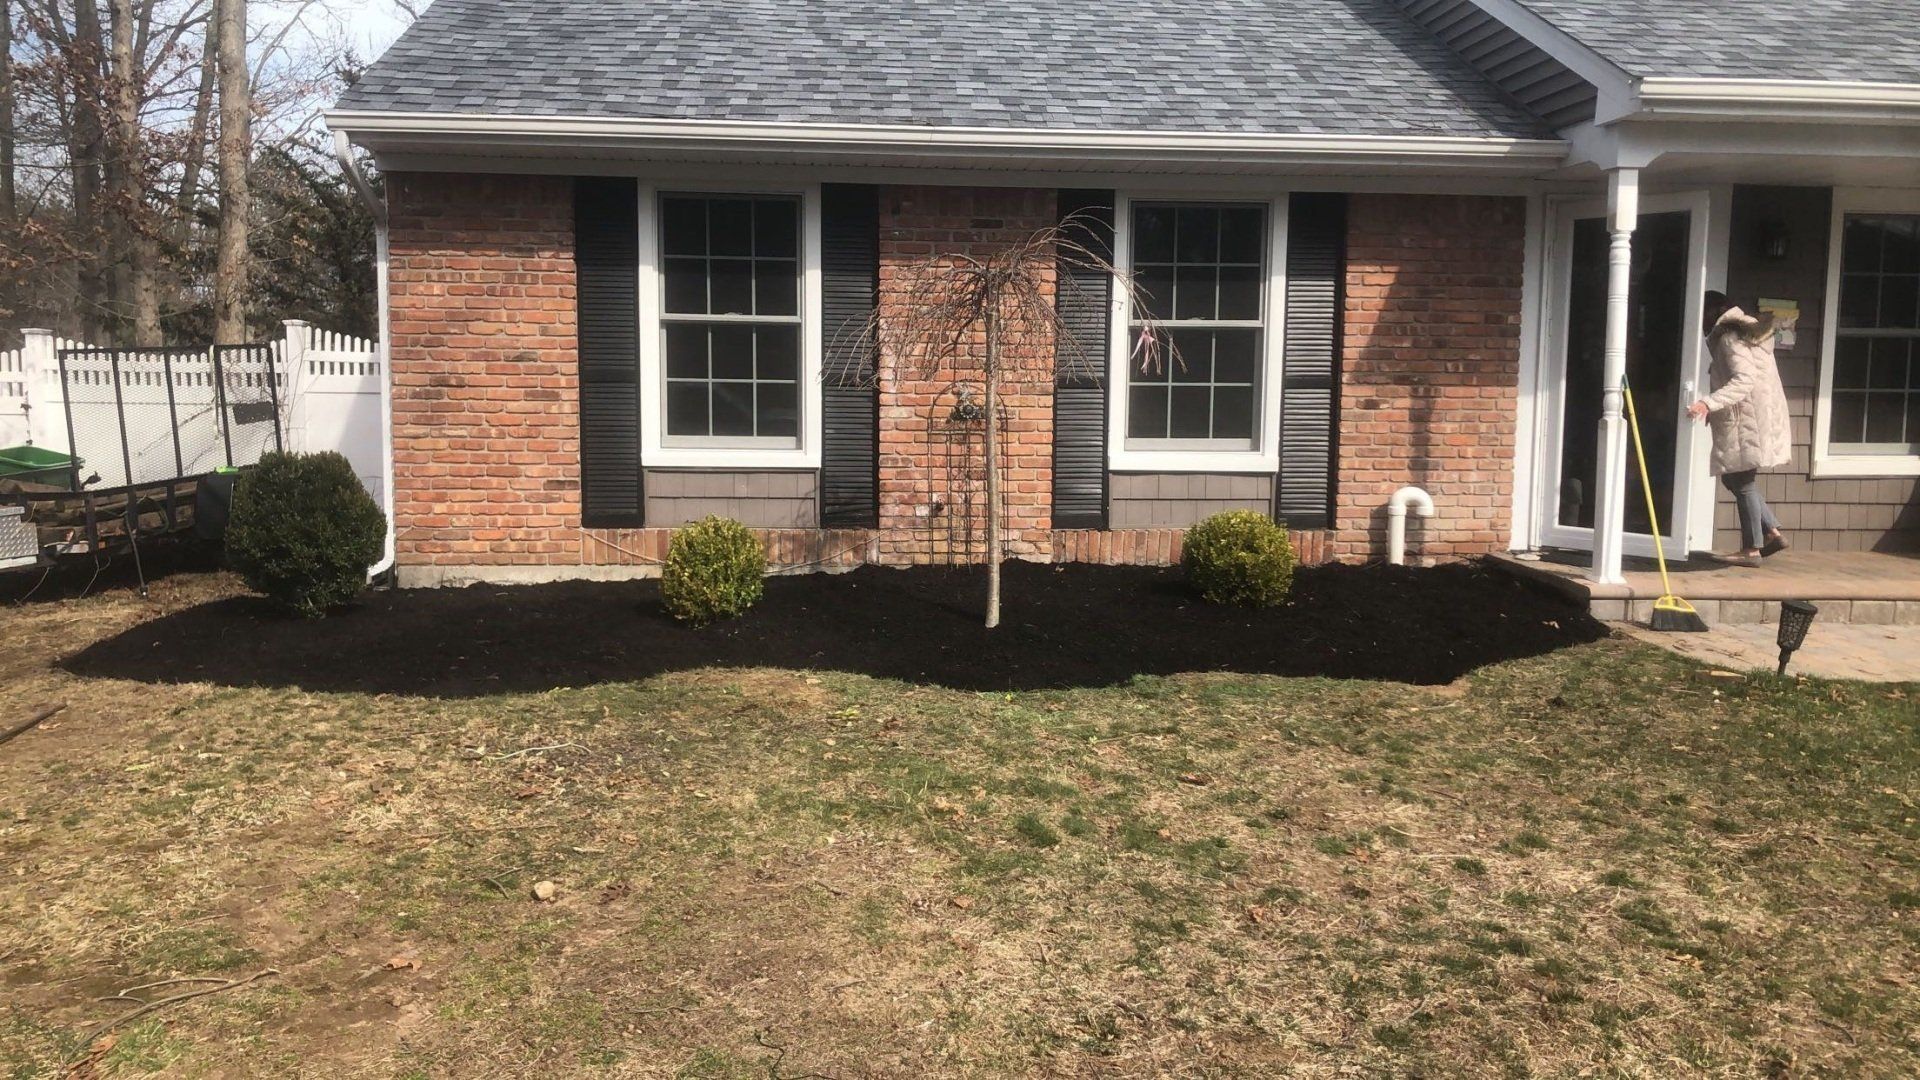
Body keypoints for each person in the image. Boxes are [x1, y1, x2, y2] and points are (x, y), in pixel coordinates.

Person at [1687, 291, 1791, 566]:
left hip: (1747, 420)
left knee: (1742, 482)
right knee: (1734, 479)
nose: (1700, 323)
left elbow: (1744, 380)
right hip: (1756, 415)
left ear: (1713, 313)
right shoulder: (1746, 334)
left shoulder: (1729, 339)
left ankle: (1752, 549)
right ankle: (1771, 532)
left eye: (1702, 315)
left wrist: (1707, 403)